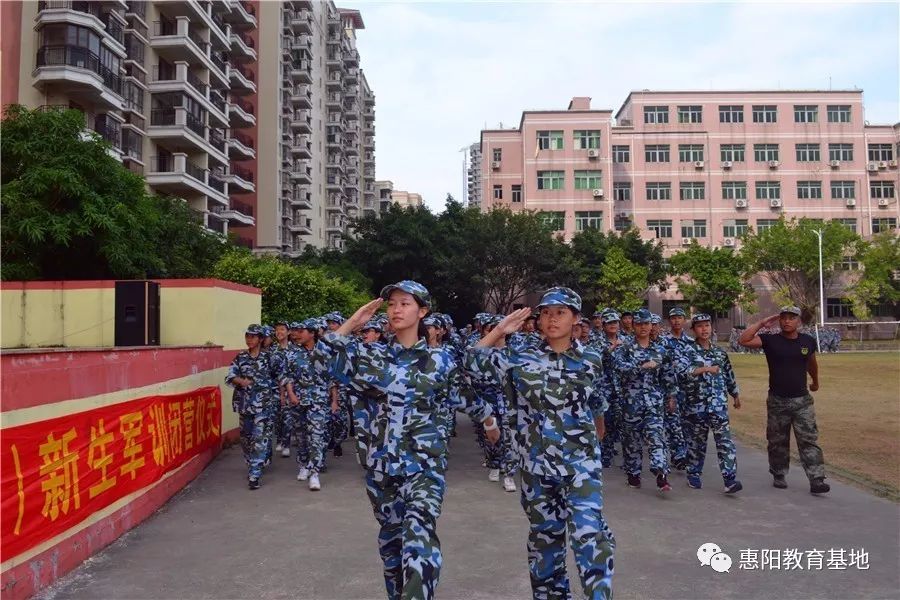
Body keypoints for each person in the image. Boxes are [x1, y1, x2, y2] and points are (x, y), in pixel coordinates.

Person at [316, 281, 499, 600]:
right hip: (381, 470)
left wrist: (489, 419)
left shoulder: (439, 361)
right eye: (392, 304)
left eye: (405, 303)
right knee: (393, 549)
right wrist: (352, 324)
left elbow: (465, 396)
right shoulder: (372, 357)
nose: (396, 309)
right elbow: (320, 362)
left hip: (424, 469)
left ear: (422, 311)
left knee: (419, 544)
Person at [467, 287, 615, 600]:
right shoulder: (521, 357)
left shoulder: (591, 359)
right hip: (537, 467)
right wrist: (499, 331)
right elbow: (474, 364)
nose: (551, 319)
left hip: (580, 465)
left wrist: (597, 435)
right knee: (545, 542)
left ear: (576, 318)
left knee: (591, 535)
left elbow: (598, 401)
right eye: (546, 312)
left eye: (560, 312)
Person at [738, 306, 830, 494]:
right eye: (784, 318)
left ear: (799, 321)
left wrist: (816, 382)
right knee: (777, 440)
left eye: (792, 318)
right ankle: (779, 473)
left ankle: (816, 479)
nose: (787, 321)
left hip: (802, 400)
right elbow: (743, 340)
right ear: (779, 321)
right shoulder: (771, 341)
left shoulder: (808, 341)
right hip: (778, 400)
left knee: (809, 439)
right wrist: (762, 323)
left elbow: (811, 364)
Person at [613, 308, 677, 492]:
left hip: (654, 402)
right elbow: (618, 367)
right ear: (633, 326)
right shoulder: (625, 348)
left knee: (656, 436)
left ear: (652, 326)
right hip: (631, 403)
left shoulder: (660, 350)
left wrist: (671, 396)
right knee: (632, 441)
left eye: (646, 324)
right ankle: (633, 474)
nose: (643, 327)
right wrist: (641, 366)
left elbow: (668, 375)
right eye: (639, 324)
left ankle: (661, 473)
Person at [682, 314, 742, 493]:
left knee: (725, 441)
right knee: (696, 443)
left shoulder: (719, 352)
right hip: (696, 404)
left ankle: (729, 479)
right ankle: (693, 473)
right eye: (699, 326)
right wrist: (704, 369)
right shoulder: (687, 351)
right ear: (693, 330)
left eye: (707, 325)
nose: (704, 329)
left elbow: (728, 374)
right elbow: (683, 372)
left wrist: (735, 394)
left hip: (717, 405)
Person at [225, 325, 281, 490]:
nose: (249, 339)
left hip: (264, 406)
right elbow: (230, 375)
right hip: (244, 405)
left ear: (261, 339)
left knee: (259, 438)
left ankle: (255, 474)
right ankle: (253, 464)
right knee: (246, 439)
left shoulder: (270, 357)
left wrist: (279, 397)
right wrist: (239, 381)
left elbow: (281, 377)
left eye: (253, 336)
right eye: (247, 336)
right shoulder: (241, 357)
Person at [283, 318, 331, 491]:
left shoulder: (324, 351)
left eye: (302, 331)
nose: (297, 334)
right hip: (298, 400)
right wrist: (291, 394)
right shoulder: (292, 353)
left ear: (312, 333)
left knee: (316, 436)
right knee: (301, 436)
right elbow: (286, 376)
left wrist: (333, 400)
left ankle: (315, 472)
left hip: (318, 400)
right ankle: (303, 465)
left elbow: (332, 377)